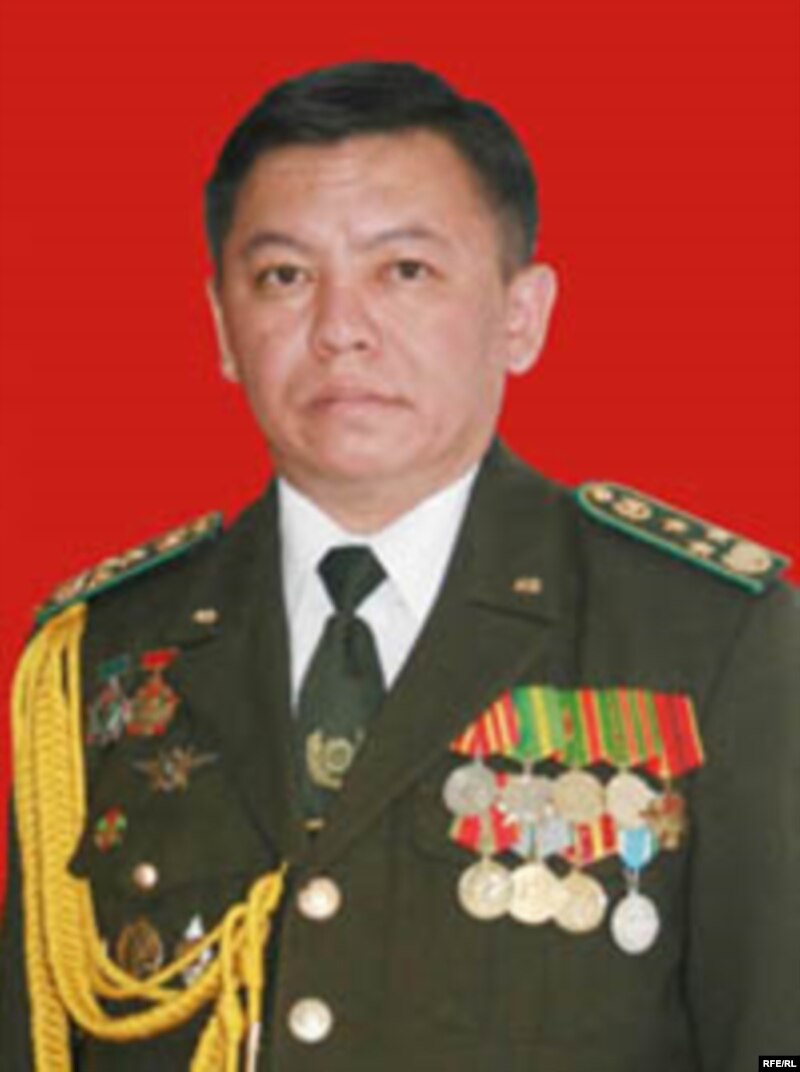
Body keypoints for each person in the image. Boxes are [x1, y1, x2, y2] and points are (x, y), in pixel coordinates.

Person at [1, 61, 797, 1072]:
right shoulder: (102, 652)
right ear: (222, 329)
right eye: (284, 277)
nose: (340, 330)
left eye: (405, 271)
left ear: (521, 315)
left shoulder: (710, 634)